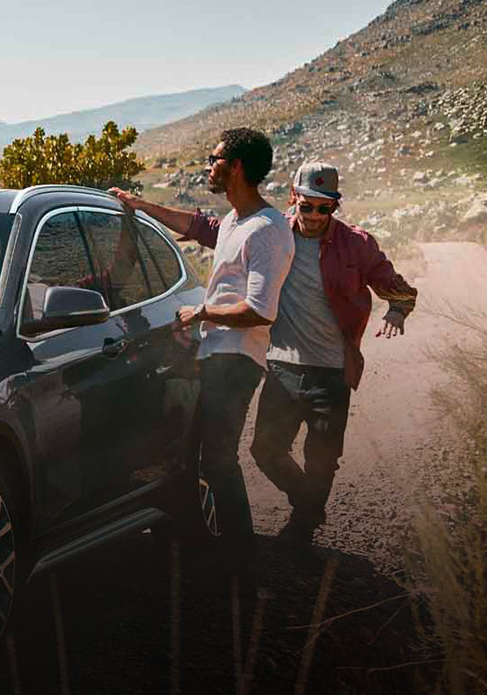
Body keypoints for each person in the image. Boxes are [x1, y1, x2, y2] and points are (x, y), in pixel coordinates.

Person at [116, 161, 417, 543]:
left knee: (322, 459)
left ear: (334, 208)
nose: (312, 216)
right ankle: (309, 504)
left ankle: (302, 529)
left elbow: (398, 288)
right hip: (282, 366)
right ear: (294, 198)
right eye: (306, 206)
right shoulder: (273, 235)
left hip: (332, 370)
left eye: (323, 208)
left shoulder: (356, 244)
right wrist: (141, 205)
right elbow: (200, 226)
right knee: (265, 450)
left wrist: (396, 310)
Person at [111, 128, 294, 582]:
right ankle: (211, 544)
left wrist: (201, 313)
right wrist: (140, 205)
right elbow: (194, 226)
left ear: (235, 168)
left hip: (237, 358)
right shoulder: (235, 221)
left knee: (218, 458)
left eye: (213, 160)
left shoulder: (268, 232)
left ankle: (239, 558)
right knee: (202, 453)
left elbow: (259, 310)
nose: (207, 166)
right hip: (216, 352)